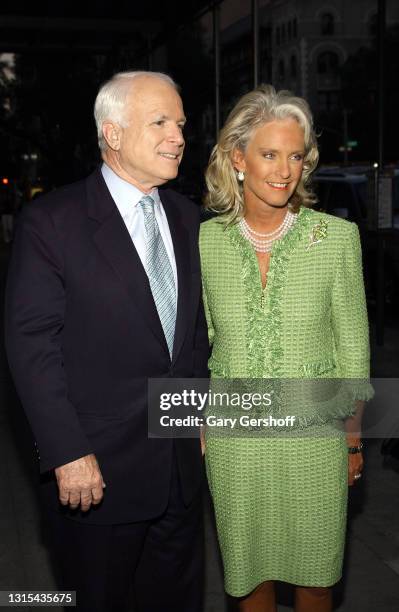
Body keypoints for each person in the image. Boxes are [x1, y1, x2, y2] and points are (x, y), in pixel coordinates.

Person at [5, 71, 209, 612]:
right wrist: (67, 451)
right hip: (97, 477)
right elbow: (32, 346)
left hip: (180, 475)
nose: (179, 136)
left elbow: (192, 343)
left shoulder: (191, 220)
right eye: (160, 122)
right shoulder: (52, 222)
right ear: (113, 134)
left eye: (181, 124)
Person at [199, 85, 372, 612]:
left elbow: (355, 355)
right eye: (268, 154)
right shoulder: (204, 242)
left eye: (295, 156)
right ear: (237, 159)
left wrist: (353, 441)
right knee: (249, 577)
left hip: (316, 438)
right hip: (235, 441)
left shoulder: (336, 239)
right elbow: (198, 344)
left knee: (317, 578)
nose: (283, 170)